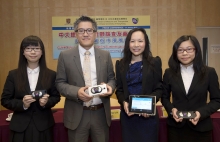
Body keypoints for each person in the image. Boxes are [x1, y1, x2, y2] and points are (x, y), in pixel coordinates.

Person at [55, 16, 115, 142]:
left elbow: (112, 79)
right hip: (77, 114)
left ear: (95, 34)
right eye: (81, 31)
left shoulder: (105, 55)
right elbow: (60, 83)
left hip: (100, 114)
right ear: (76, 34)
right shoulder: (65, 56)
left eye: (89, 30)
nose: (86, 34)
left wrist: (110, 87)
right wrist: (77, 92)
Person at [1, 35, 61, 142]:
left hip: (43, 125)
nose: (33, 52)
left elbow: (56, 97)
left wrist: (46, 102)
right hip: (20, 126)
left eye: (37, 49)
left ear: (42, 52)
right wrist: (22, 104)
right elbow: (5, 100)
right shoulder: (13, 75)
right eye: (28, 49)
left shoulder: (51, 74)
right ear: (23, 52)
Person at [161, 35, 220, 142]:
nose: (184, 53)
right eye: (180, 50)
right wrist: (171, 110)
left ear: (196, 50)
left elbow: (217, 100)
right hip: (176, 129)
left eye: (189, 49)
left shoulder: (209, 72)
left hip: (201, 128)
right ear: (175, 53)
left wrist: (200, 113)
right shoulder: (169, 73)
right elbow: (164, 97)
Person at [115, 28, 163, 142]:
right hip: (128, 117)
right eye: (132, 41)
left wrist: (148, 106)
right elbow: (119, 90)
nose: (136, 45)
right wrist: (123, 102)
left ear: (146, 43)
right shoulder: (120, 64)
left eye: (140, 41)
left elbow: (159, 88)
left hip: (148, 118)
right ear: (128, 44)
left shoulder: (154, 62)